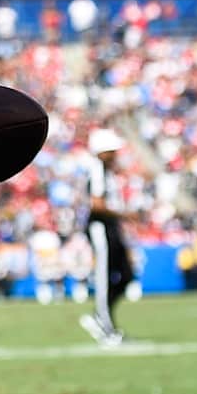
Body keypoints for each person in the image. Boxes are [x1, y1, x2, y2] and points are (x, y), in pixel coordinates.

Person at [78, 129, 136, 347]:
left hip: (111, 228)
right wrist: (124, 214)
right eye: (111, 150)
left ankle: (101, 317)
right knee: (103, 277)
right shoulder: (97, 170)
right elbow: (97, 204)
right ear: (102, 152)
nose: (115, 154)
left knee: (127, 275)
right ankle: (103, 324)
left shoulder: (107, 171)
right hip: (100, 228)